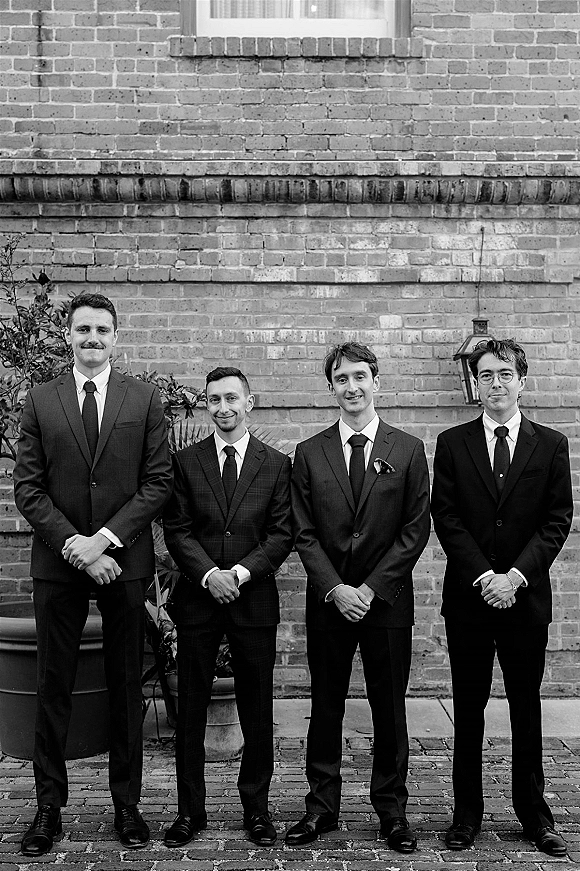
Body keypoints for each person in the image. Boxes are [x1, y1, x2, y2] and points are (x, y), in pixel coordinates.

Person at [13, 292, 173, 856]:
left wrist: (104, 540)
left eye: (102, 329)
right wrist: (75, 547)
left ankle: (126, 805)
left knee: (127, 683)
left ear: (115, 336)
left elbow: (157, 482)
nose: (92, 338)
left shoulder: (144, 399)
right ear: (67, 336)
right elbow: (27, 489)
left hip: (123, 561)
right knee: (53, 683)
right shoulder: (40, 401)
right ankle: (48, 807)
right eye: (82, 329)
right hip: (59, 565)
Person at [286, 342, 430, 854]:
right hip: (329, 603)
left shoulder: (408, 449)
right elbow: (303, 531)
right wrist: (335, 589)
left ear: (376, 381)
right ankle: (320, 807)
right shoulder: (309, 451)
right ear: (331, 387)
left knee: (389, 707)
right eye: (341, 378)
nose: (352, 386)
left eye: (360, 376)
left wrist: (369, 589)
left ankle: (392, 810)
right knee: (325, 706)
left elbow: (415, 531)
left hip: (386, 603)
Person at [431, 338, 572, 857]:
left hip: (525, 600)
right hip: (470, 601)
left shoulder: (551, 444)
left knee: (525, 708)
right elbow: (444, 516)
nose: (495, 382)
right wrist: (485, 578)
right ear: (474, 383)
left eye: (504, 373)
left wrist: (514, 577)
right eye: (485, 374)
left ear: (522, 379)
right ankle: (466, 815)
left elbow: (558, 520)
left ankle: (534, 815)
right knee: (468, 709)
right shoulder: (452, 442)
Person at [162, 366, 292, 848]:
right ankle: (188, 811)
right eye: (213, 400)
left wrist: (237, 574)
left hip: (252, 600)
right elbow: (176, 529)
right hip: (198, 601)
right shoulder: (185, 462)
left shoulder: (276, 464)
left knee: (257, 711)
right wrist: (208, 575)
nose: (223, 408)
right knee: (191, 711)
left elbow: (282, 534)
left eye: (231, 398)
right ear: (206, 406)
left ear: (249, 402)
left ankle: (256, 810)